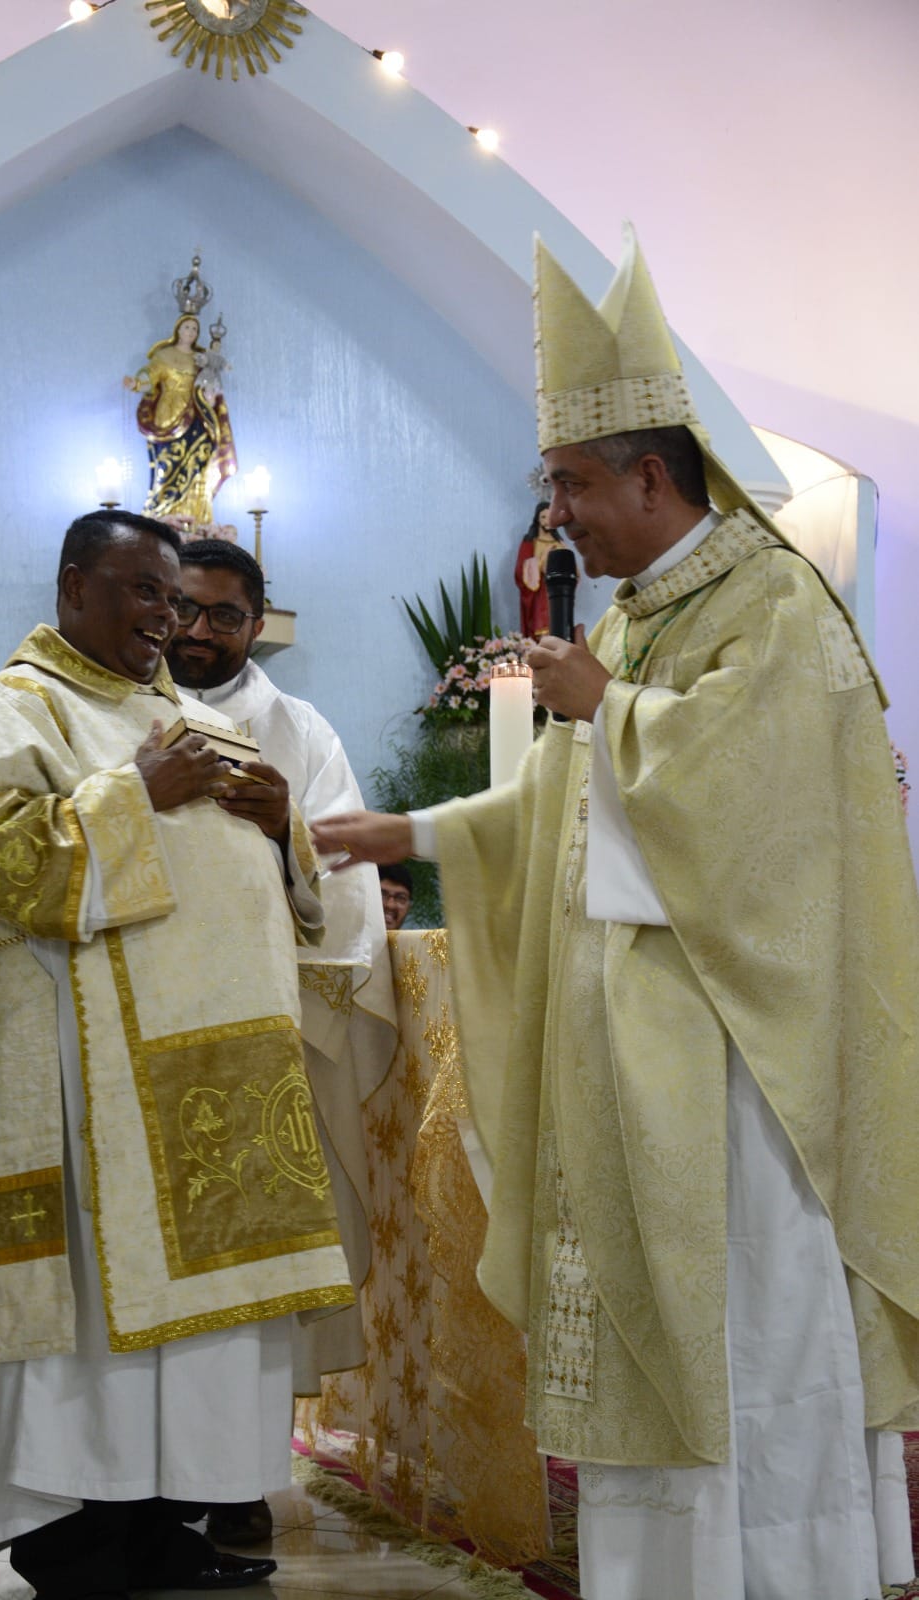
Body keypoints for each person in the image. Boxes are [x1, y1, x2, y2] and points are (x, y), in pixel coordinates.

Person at [311, 227, 919, 1600]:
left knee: (741, 1322)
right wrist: (413, 833)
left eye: (573, 483)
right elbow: (563, 804)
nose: (557, 516)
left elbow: (771, 816)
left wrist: (614, 710)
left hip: (734, 1068)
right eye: (552, 487)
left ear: (651, 475)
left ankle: (772, 1575)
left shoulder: (774, 605)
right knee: (644, 1328)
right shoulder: (639, 621)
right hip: (629, 1058)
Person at [0, 507, 355, 1598]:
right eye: (143, 591)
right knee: (104, 1330)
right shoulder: (16, 709)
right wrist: (134, 796)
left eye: (176, 597)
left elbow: (280, 886)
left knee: (195, 1344)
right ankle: (76, 1536)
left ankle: (166, 1521)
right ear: (73, 588)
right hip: (89, 1093)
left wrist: (282, 825)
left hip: (220, 1076)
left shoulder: (182, 714)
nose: (167, 618)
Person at [166, 536, 397, 1546]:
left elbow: (348, 884)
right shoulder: (114, 715)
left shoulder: (299, 732)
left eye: (224, 615)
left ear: (258, 625)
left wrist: (283, 828)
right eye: (184, 608)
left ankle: (242, 1481)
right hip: (143, 1033)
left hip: (261, 1036)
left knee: (252, 1272)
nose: (198, 631)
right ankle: (142, 1488)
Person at [124, 314, 237, 532]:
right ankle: (163, 516)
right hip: (168, 417)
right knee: (166, 465)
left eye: (194, 329)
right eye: (187, 327)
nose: (191, 332)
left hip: (197, 416)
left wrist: (211, 395)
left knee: (200, 460)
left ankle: (198, 520)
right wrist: (136, 383)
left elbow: (210, 379)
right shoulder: (164, 356)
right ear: (178, 329)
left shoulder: (201, 358)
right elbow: (151, 376)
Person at [514, 500, 564, 637]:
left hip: (557, 593)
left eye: (549, 517)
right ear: (537, 519)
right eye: (543, 517)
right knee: (541, 630)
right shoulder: (530, 542)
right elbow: (520, 571)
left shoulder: (559, 543)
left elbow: (571, 570)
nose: (546, 521)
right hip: (539, 594)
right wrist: (540, 562)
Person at [377, 864, 413, 930]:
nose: (390, 905)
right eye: (382, 895)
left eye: (401, 898)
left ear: (409, 907)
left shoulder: (426, 936)